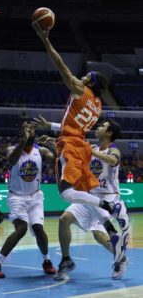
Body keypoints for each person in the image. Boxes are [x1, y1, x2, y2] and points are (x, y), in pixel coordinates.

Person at [33, 23, 128, 269]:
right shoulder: (97, 107)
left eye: (87, 76)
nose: (83, 76)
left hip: (74, 145)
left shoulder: (81, 91)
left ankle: (109, 207)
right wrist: (55, 128)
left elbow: (61, 67)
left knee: (66, 193)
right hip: (80, 146)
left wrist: (45, 40)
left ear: (90, 82)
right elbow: (75, 126)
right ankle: (108, 231)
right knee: (81, 200)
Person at [32, 115, 129, 279]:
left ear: (109, 133)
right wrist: (51, 140)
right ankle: (66, 260)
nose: (97, 128)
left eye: (102, 126)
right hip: (87, 196)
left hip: (107, 198)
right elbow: (69, 152)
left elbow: (113, 160)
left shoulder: (113, 149)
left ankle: (121, 258)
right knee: (64, 219)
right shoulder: (90, 147)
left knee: (101, 236)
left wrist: (92, 152)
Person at [0, 122, 56, 278]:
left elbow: (57, 160)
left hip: (36, 196)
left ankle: (47, 261)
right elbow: (11, 160)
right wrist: (23, 141)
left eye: (31, 128)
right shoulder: (12, 149)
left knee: (38, 229)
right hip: (16, 196)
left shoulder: (41, 151)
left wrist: (53, 145)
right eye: (25, 128)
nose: (29, 129)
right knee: (22, 228)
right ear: (21, 133)